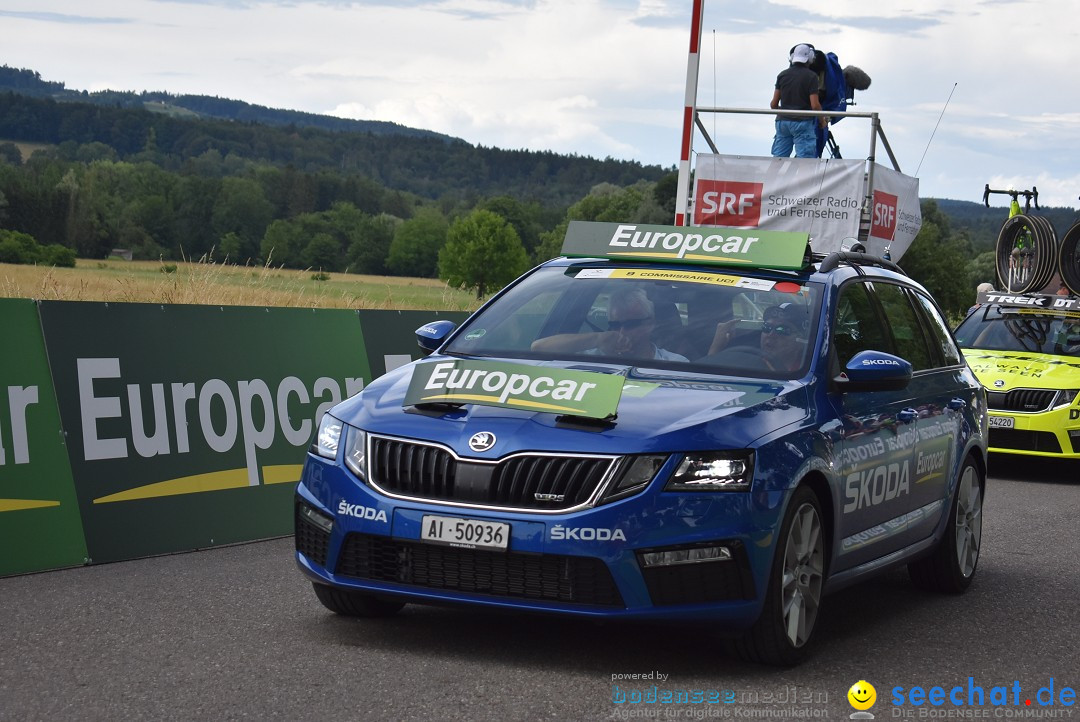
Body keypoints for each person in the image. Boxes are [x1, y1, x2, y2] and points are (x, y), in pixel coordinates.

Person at [531, 287, 688, 361]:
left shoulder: (674, 363)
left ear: (651, 324)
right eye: (614, 325)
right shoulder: (592, 355)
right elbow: (538, 347)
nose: (621, 332)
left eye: (631, 325)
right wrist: (597, 339)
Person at [706, 302, 808, 373]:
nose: (771, 334)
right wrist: (716, 347)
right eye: (767, 327)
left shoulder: (807, 373)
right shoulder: (743, 363)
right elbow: (707, 381)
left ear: (800, 341)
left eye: (782, 330)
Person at [770, 44, 827, 159]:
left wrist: (785, 112)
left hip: (782, 123)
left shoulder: (782, 75)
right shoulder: (811, 77)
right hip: (803, 123)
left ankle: (772, 177)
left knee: (778, 159)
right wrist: (822, 121)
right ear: (810, 58)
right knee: (804, 161)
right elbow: (815, 105)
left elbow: (773, 104)